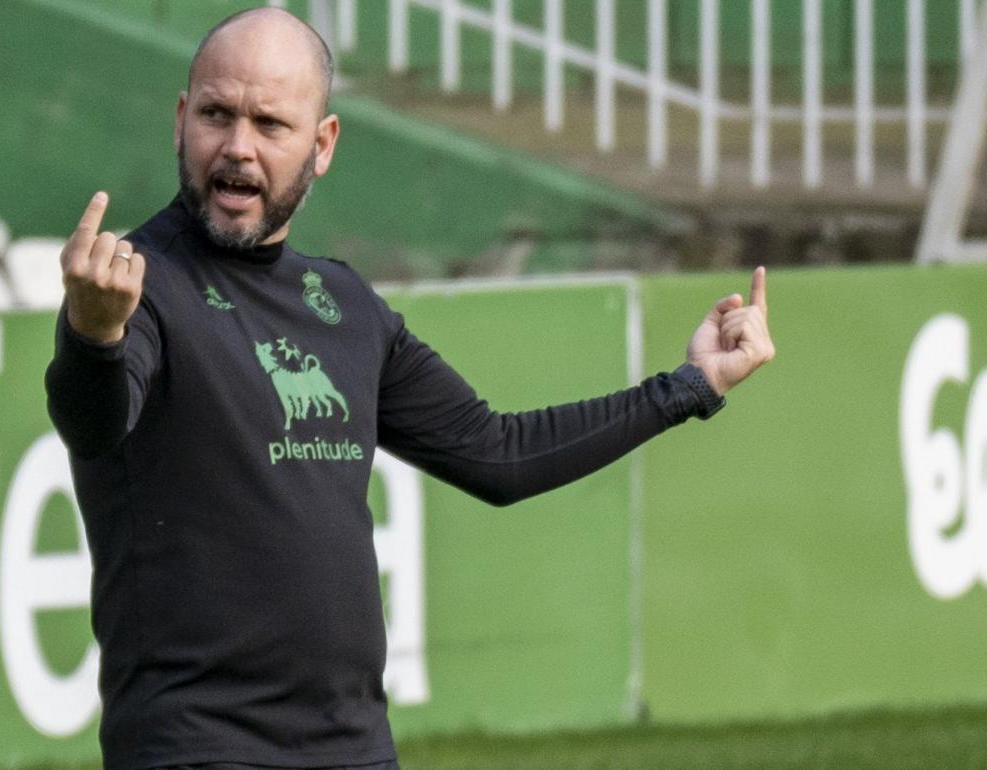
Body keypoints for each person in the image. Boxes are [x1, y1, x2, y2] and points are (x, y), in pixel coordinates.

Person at [45, 7, 774, 770]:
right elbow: (94, 424)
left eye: (270, 124)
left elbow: (500, 455)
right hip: (195, 749)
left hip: (353, 747)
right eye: (217, 115)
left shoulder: (346, 305)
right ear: (181, 119)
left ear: (322, 145)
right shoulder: (134, 285)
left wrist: (690, 385)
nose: (238, 148)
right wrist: (94, 335)